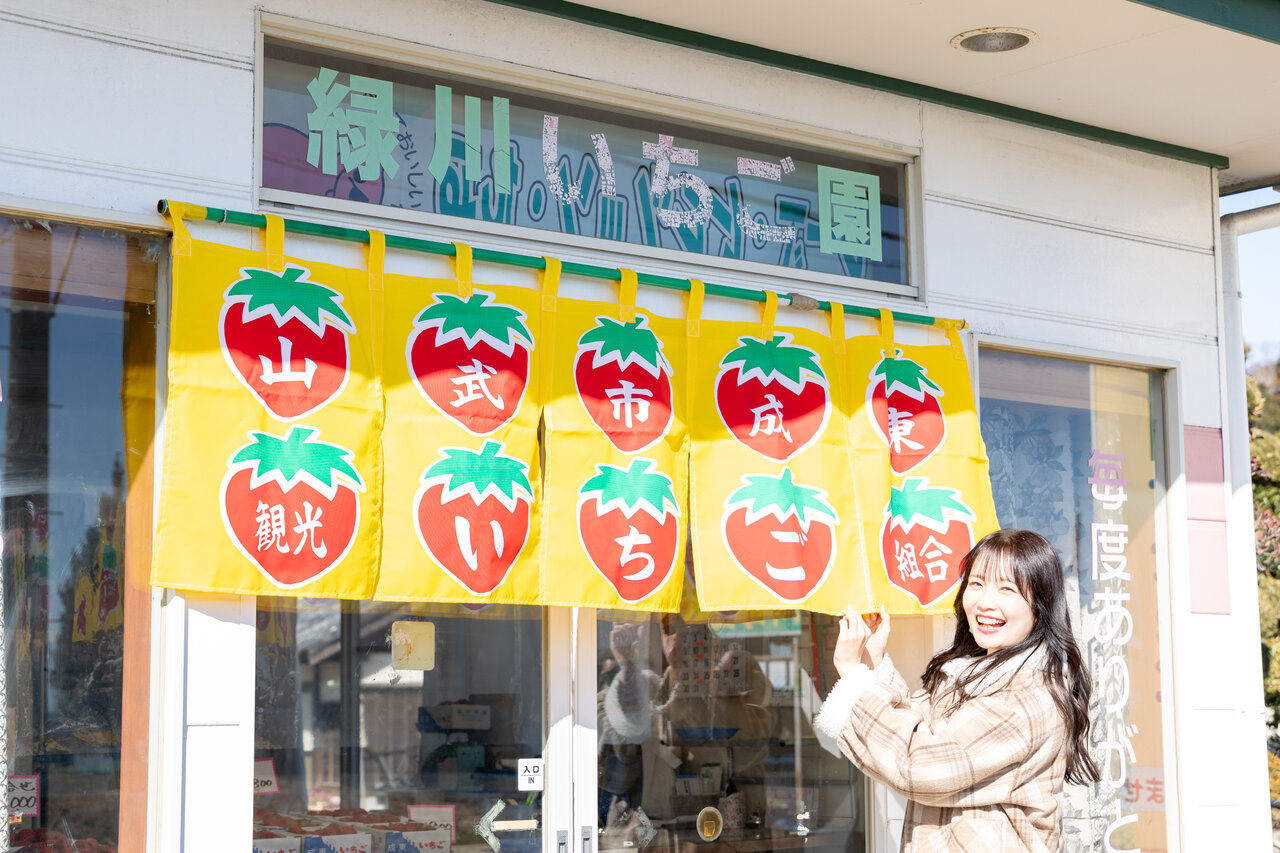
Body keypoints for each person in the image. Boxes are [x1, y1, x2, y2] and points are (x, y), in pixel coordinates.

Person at [813, 529, 1099, 852]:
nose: (984, 602)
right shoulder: (976, 673)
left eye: (1007, 589)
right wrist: (874, 663)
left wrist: (853, 676)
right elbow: (922, 729)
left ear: (1041, 606)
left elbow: (919, 763)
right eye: (976, 584)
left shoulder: (1026, 696)